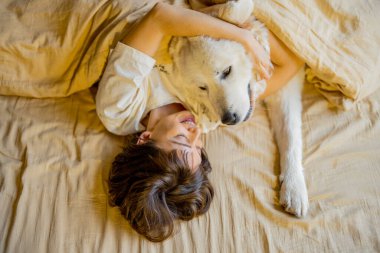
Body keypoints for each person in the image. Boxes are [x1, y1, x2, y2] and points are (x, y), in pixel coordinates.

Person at [96, 1, 304, 242]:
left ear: (145, 139)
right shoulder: (210, 115)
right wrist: (249, 33)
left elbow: (160, 17)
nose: (196, 132)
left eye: (182, 139)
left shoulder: (119, 109)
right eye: (199, 148)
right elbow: (289, 64)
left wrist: (243, 38)